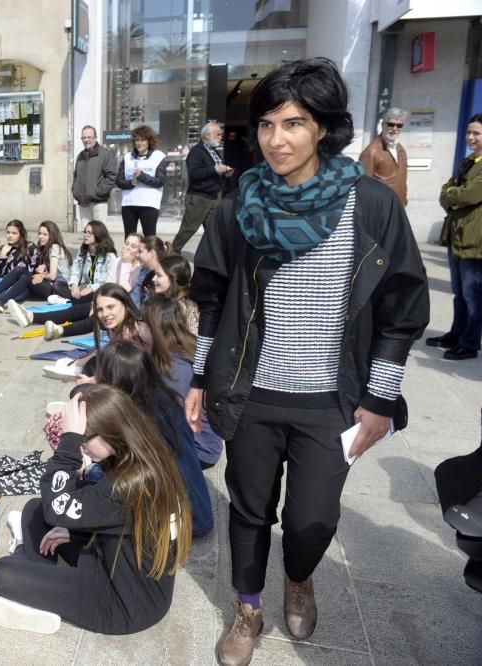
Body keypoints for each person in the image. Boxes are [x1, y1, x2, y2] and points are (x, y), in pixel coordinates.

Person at [186, 58, 428, 665]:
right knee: (248, 509)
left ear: (323, 127)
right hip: (251, 392)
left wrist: (378, 400)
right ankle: (247, 608)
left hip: (333, 400)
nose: (276, 140)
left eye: (293, 123)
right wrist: (198, 375)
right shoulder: (238, 205)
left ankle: (299, 577)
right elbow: (210, 299)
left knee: (310, 522)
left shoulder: (370, 205)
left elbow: (402, 310)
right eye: (265, 125)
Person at [0, 385, 191, 635]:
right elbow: (106, 516)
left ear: (110, 433)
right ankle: (42, 586)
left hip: (123, 605)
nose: (81, 447)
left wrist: (68, 443)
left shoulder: (126, 487)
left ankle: (36, 596)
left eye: (83, 439)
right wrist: (79, 534)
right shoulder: (144, 457)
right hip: (120, 565)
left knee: (2, 573)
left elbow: (59, 508)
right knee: (35, 509)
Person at [94, 340, 213, 536]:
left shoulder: (135, 420)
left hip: (182, 521)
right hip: (199, 509)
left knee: (92, 479)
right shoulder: (165, 399)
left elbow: (122, 477)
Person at [143, 295, 224, 469]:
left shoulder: (173, 368)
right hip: (202, 443)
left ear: (154, 327)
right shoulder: (184, 349)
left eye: (142, 322)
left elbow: (173, 421)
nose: (138, 327)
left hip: (198, 448)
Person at [431, 113, 482, 361]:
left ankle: (470, 343)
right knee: (459, 293)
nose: (471, 138)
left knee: (473, 296)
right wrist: (453, 193)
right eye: (469, 132)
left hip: (475, 241)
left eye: (477, 134)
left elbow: (469, 195)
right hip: (456, 236)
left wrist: (453, 194)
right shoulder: (468, 162)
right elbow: (445, 193)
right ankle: (456, 334)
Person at [171, 122, 233, 254]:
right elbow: (194, 173)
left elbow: (214, 171)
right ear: (206, 136)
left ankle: (214, 258)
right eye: (218, 134)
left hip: (214, 196)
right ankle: (171, 253)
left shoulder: (214, 151)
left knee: (213, 231)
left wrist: (225, 172)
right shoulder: (197, 152)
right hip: (199, 197)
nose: (221, 137)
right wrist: (214, 169)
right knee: (188, 229)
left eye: (221, 134)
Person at [116, 125, 166, 236]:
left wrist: (142, 176)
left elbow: (160, 181)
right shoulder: (127, 157)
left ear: (149, 141)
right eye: (137, 140)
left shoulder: (158, 156)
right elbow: (119, 181)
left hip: (149, 204)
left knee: (149, 239)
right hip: (129, 204)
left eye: (143, 140)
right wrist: (131, 183)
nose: (139, 143)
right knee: (129, 239)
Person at [359, 108, 409, 206]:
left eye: (399, 125)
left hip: (399, 205)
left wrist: (404, 200)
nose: (395, 129)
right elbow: (363, 186)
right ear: (383, 125)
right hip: (380, 207)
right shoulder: (371, 151)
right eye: (390, 124)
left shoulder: (400, 149)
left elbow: (402, 178)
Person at [72, 126, 118, 226]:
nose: (86, 140)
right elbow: (76, 176)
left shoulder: (106, 155)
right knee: (87, 235)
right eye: (84, 138)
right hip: (83, 203)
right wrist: (75, 191)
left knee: (100, 235)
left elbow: (111, 177)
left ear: (95, 138)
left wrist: (98, 192)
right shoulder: (80, 156)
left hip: (98, 202)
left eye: (89, 137)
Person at [152, 255, 198, 333]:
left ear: (173, 278)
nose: (153, 279)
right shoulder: (168, 302)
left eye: (159, 275)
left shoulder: (181, 309)